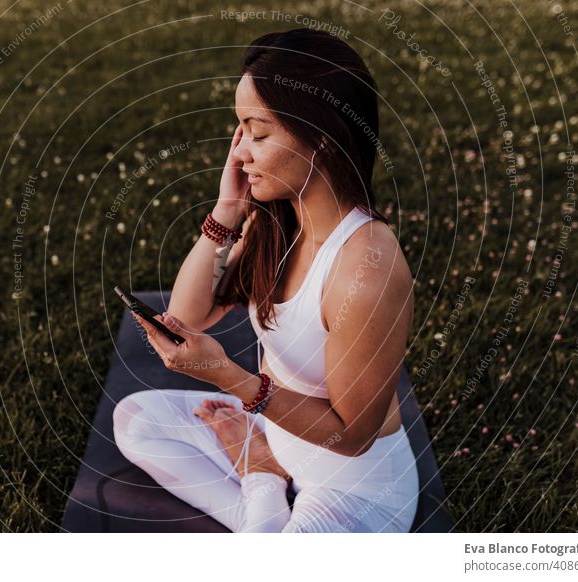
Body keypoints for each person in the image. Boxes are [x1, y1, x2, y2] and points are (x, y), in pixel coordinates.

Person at [113, 28, 418, 532]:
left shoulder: (367, 269)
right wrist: (227, 210)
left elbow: (352, 436)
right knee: (137, 419)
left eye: (258, 132)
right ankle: (267, 490)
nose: (239, 154)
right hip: (276, 429)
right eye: (241, 132)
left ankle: (260, 481)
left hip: (354, 487)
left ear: (320, 137)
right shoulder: (278, 218)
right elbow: (188, 316)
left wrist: (229, 378)